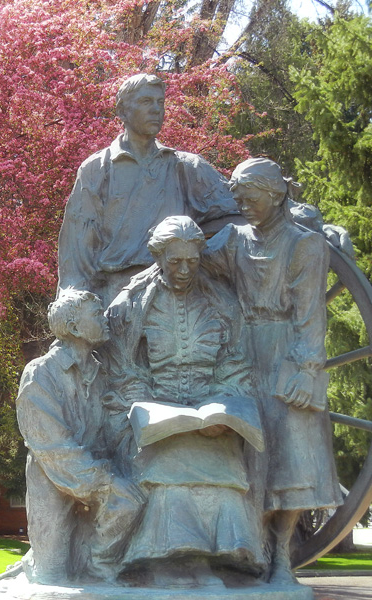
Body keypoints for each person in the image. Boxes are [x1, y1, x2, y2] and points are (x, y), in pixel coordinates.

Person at [106, 216, 265, 588]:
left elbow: (236, 365)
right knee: (168, 463)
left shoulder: (222, 304)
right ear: (158, 257)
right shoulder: (130, 306)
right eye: (175, 261)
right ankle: (170, 561)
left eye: (191, 262)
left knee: (222, 463)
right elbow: (124, 371)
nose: (183, 270)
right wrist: (151, 408)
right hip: (150, 418)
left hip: (212, 415)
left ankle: (225, 559)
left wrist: (223, 410)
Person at [204, 158, 343, 583]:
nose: (243, 204)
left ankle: (281, 554)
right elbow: (190, 263)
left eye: (252, 196)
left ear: (277, 194)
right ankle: (247, 550)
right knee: (250, 453)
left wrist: (306, 367)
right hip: (242, 354)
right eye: (239, 197)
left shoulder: (304, 245)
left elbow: (309, 314)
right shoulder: (232, 239)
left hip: (288, 351)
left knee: (294, 457)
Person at [57, 73, 238, 305]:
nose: (156, 110)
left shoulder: (186, 167)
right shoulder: (97, 169)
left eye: (160, 102)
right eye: (146, 102)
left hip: (178, 288)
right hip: (117, 291)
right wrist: (76, 299)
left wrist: (282, 198)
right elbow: (78, 245)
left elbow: (244, 205)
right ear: (122, 111)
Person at [15, 288, 144, 584]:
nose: (105, 318)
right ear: (74, 328)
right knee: (52, 574)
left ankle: (99, 567)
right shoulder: (40, 374)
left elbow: (107, 433)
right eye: (97, 314)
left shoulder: (101, 374)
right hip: (53, 476)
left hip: (95, 472)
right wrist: (105, 481)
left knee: (129, 502)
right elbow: (52, 448)